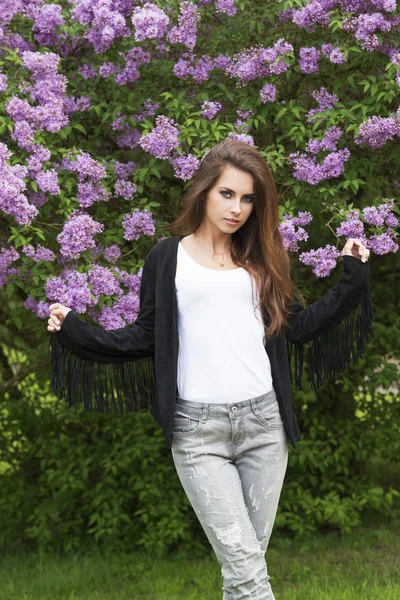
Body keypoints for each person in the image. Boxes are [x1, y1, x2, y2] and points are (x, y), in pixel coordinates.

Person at [47, 140, 372, 600]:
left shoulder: (260, 256)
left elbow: (297, 328)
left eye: (247, 198)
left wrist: (352, 276)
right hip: (199, 433)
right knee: (249, 576)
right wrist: (74, 331)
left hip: (265, 425)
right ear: (203, 192)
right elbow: (144, 337)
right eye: (227, 194)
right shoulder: (167, 257)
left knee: (242, 574)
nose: (237, 208)